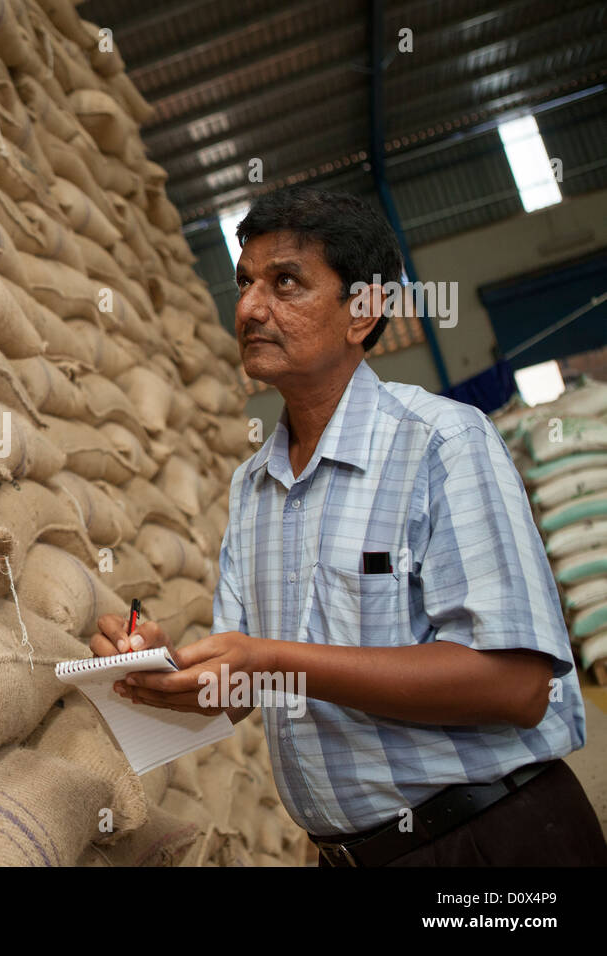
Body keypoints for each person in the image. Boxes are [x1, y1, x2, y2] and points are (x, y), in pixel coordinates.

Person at [89, 185, 606, 866]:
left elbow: (513, 685)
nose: (248, 307)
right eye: (244, 283)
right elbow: (246, 692)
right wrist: (164, 671)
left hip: (490, 842)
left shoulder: (441, 442)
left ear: (363, 312)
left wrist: (274, 657)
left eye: (286, 282)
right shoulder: (254, 487)